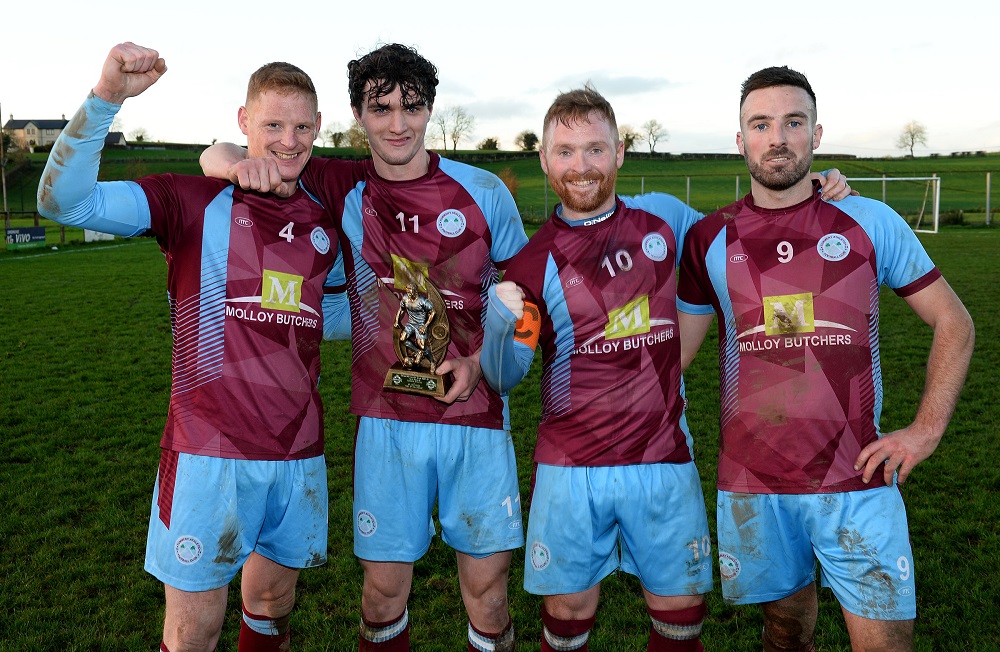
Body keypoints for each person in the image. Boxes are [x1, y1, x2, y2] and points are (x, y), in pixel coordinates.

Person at [477, 85, 854, 651]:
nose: (582, 167)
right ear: (545, 159)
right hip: (570, 467)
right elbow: (505, 376)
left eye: (596, 150)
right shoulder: (531, 262)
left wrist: (813, 192)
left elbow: (751, 234)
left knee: (679, 610)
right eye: (566, 151)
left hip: (664, 458)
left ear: (621, 151)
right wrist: (499, 328)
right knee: (567, 612)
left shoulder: (667, 220)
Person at [201, 43, 527, 651]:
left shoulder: (483, 191)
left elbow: (526, 300)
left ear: (431, 109)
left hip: (476, 418)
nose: (398, 124)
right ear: (357, 115)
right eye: (381, 109)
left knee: (490, 593)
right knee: (382, 594)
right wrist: (227, 162)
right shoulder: (336, 184)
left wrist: (482, 361)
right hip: (386, 422)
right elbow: (227, 152)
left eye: (412, 107)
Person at [37, 42, 348, 651]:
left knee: (273, 607)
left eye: (304, 126)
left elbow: (326, 314)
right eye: (273, 125)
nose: (290, 140)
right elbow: (64, 203)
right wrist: (107, 98)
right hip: (209, 452)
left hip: (299, 453)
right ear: (243, 122)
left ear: (319, 128)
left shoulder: (322, 221)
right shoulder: (191, 200)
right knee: (194, 628)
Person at [676, 66, 974, 651]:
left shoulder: (868, 221)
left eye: (793, 121)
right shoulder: (706, 238)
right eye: (760, 124)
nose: (777, 137)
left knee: (887, 642)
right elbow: (674, 356)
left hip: (858, 477)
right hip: (754, 482)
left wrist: (925, 431)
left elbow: (954, 322)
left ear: (816, 134)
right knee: (784, 632)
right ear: (741, 141)